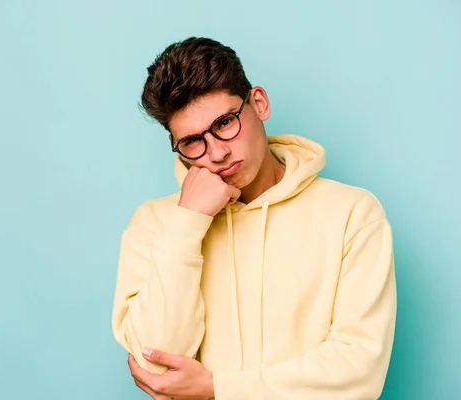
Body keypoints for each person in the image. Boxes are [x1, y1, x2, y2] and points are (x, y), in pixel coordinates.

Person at [111, 37, 397, 400]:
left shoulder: (352, 213)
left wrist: (218, 389)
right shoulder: (155, 224)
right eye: (192, 142)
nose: (215, 152)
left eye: (225, 123)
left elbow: (358, 371)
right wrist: (188, 222)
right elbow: (155, 368)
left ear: (258, 103)